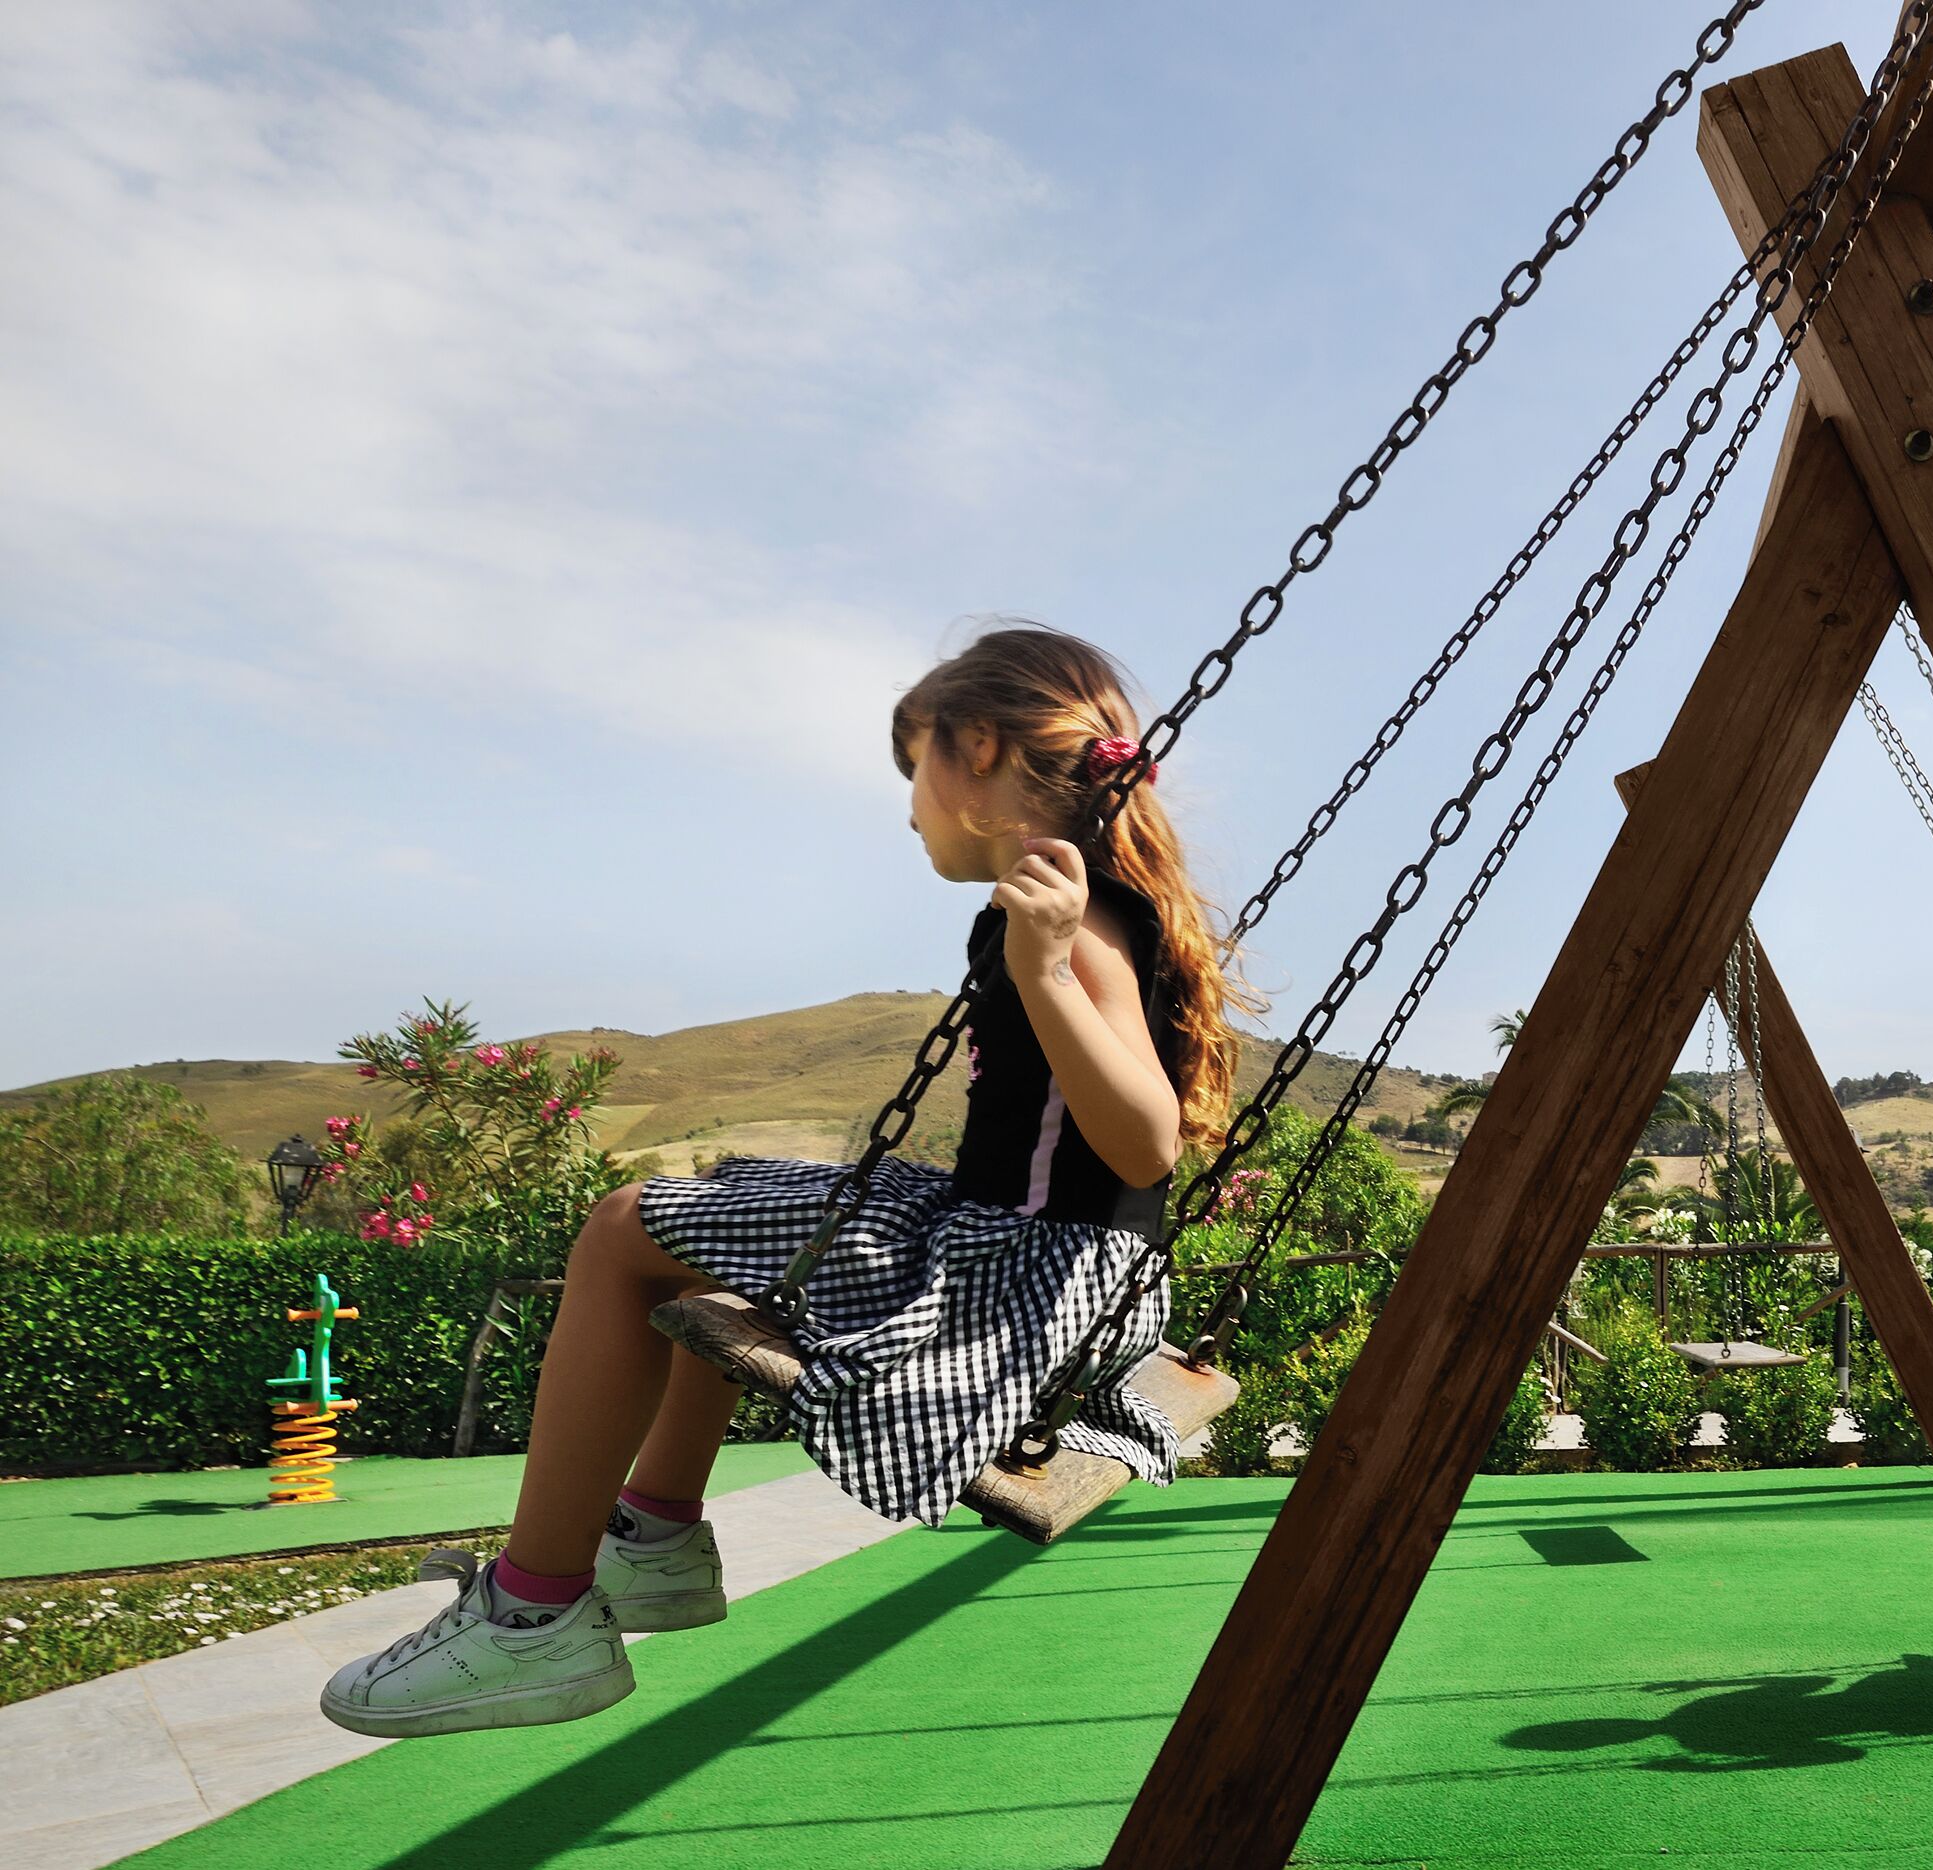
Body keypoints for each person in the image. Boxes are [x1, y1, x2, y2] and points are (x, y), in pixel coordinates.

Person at [320, 627, 1244, 1737]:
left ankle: (534, 1615)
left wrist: (1040, 968)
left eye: (917, 769)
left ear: (982, 750)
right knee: (728, 1209)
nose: (910, 806)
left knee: (622, 1229)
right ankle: (652, 1542)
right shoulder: (1087, 904)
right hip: (1046, 1261)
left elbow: (1145, 1145)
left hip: (1018, 1278)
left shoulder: (1067, 927)